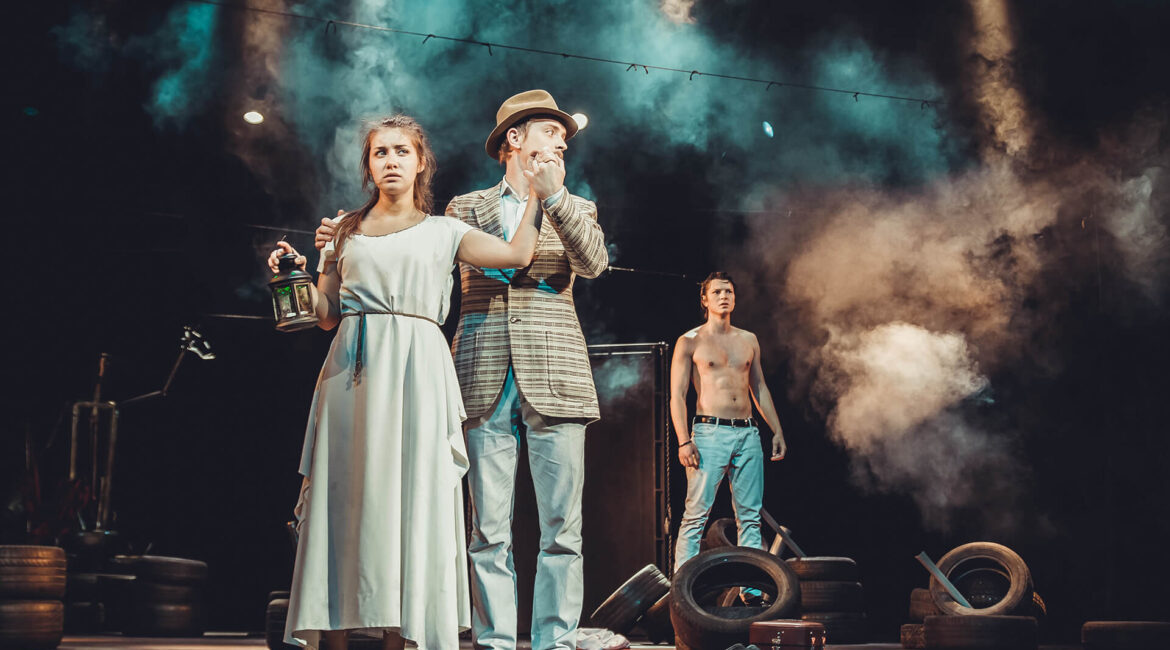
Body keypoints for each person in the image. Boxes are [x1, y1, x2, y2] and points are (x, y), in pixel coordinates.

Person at [313, 90, 607, 650]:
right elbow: (444, 266)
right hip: (482, 369)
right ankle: (496, 641)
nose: (563, 139)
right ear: (515, 140)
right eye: (551, 130)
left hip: (557, 374)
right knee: (488, 528)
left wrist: (556, 199)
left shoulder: (580, 207)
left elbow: (593, 263)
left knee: (562, 529)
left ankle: (554, 641)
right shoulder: (463, 209)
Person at [266, 114, 556, 650]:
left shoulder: (445, 230)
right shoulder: (345, 230)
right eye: (380, 153)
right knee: (345, 502)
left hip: (419, 373)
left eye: (402, 151)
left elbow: (516, 257)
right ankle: (336, 635)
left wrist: (538, 197)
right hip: (351, 374)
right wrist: (293, 276)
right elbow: (326, 313)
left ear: (421, 162)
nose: (391, 161)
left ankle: (407, 636)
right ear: (369, 165)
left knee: (411, 499)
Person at [670, 271, 786, 572]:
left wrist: (776, 429)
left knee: (749, 515)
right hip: (709, 433)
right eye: (718, 292)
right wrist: (684, 440)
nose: (724, 297)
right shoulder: (689, 341)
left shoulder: (748, 339)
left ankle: (751, 588)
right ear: (705, 299)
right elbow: (677, 396)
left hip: (747, 432)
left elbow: (759, 386)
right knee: (696, 512)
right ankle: (683, 586)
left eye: (729, 292)